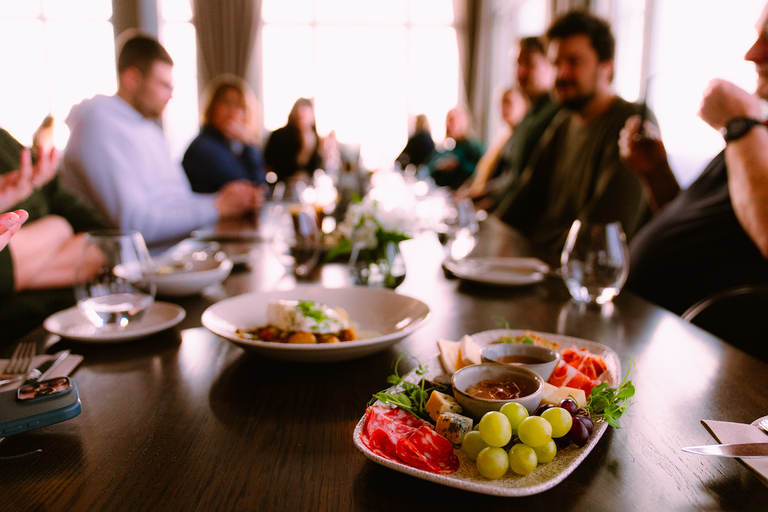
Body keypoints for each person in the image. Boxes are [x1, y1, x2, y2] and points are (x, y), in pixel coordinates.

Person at [620, 3, 768, 317]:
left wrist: (740, 125)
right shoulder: (757, 139)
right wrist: (657, 173)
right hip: (645, 319)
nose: (752, 54)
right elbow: (703, 234)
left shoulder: (749, 135)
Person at [59, 33, 260, 248]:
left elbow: (178, 201)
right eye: (164, 85)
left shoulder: (149, 130)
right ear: (132, 79)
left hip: (178, 252)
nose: (170, 95)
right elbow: (134, 224)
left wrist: (227, 199)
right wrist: (217, 206)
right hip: (136, 267)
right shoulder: (98, 126)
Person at [493, 12, 653, 253]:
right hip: (536, 263)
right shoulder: (564, 123)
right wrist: (488, 237)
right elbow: (524, 198)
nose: (562, 74)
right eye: (556, 63)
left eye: (574, 62)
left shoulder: (632, 122)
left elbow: (602, 234)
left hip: (581, 278)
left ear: (607, 67)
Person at [0, 125, 108, 344]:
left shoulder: (5, 143)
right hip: (16, 340)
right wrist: (56, 230)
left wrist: (19, 272)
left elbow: (101, 239)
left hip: (76, 323)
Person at [482, 36, 560, 213]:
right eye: (517, 64)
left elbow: (530, 188)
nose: (520, 72)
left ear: (550, 67)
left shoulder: (554, 115)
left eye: (530, 65)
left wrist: (492, 212)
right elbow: (510, 178)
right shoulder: (528, 117)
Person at [182, 75, 267, 193]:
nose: (234, 113)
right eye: (226, 104)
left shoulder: (226, 145)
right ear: (212, 108)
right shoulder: (205, 148)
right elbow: (253, 190)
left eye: (240, 106)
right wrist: (249, 143)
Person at [459, 87, 528, 203]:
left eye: (508, 103)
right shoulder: (503, 138)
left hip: (494, 203)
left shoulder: (521, 137)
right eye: (501, 104)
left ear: (523, 105)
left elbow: (509, 179)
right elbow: (480, 171)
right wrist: (466, 189)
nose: (503, 109)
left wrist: (476, 193)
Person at [263, 97, 323, 185]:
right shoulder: (280, 136)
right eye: (299, 115)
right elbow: (275, 165)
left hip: (304, 187)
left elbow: (314, 168)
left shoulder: (314, 138)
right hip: (279, 185)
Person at [426, 105, 486, 190]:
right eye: (448, 121)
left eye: (452, 120)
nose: (449, 124)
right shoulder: (450, 146)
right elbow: (430, 166)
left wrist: (458, 164)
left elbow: (480, 171)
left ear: (462, 121)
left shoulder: (473, 146)